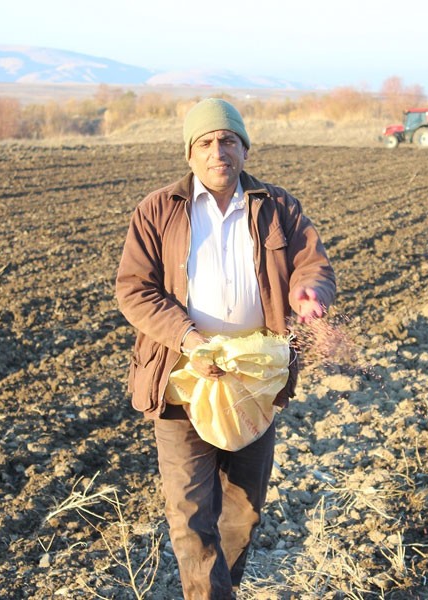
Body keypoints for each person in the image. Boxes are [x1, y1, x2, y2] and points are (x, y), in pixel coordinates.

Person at [115, 97, 336, 599]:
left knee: (243, 510)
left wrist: (310, 292)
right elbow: (133, 288)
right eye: (207, 142)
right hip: (182, 379)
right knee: (191, 514)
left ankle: (221, 589)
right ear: (190, 154)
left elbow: (312, 264)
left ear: (244, 149)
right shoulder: (158, 210)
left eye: (229, 141)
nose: (220, 151)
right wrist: (189, 337)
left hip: (253, 380)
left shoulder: (277, 206)